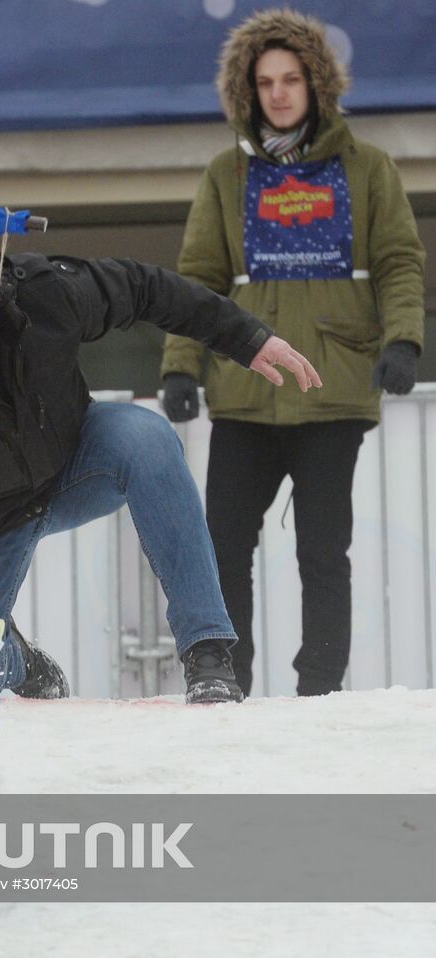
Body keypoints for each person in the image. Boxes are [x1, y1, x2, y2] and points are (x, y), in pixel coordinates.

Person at [0, 248, 322, 704]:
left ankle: (208, 651)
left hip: (72, 467)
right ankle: (19, 661)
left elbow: (146, 288)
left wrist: (247, 339)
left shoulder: (43, 297)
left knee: (146, 438)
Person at [160, 9, 425, 697]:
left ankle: (319, 691)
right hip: (245, 391)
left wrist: (402, 338)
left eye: (291, 79)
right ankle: (224, 679)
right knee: (221, 550)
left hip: (332, 390)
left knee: (321, 554)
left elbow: (397, 260)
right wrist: (180, 365)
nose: (278, 93)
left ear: (316, 85)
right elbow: (198, 280)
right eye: (265, 81)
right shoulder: (226, 174)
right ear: (249, 91)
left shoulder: (365, 168)